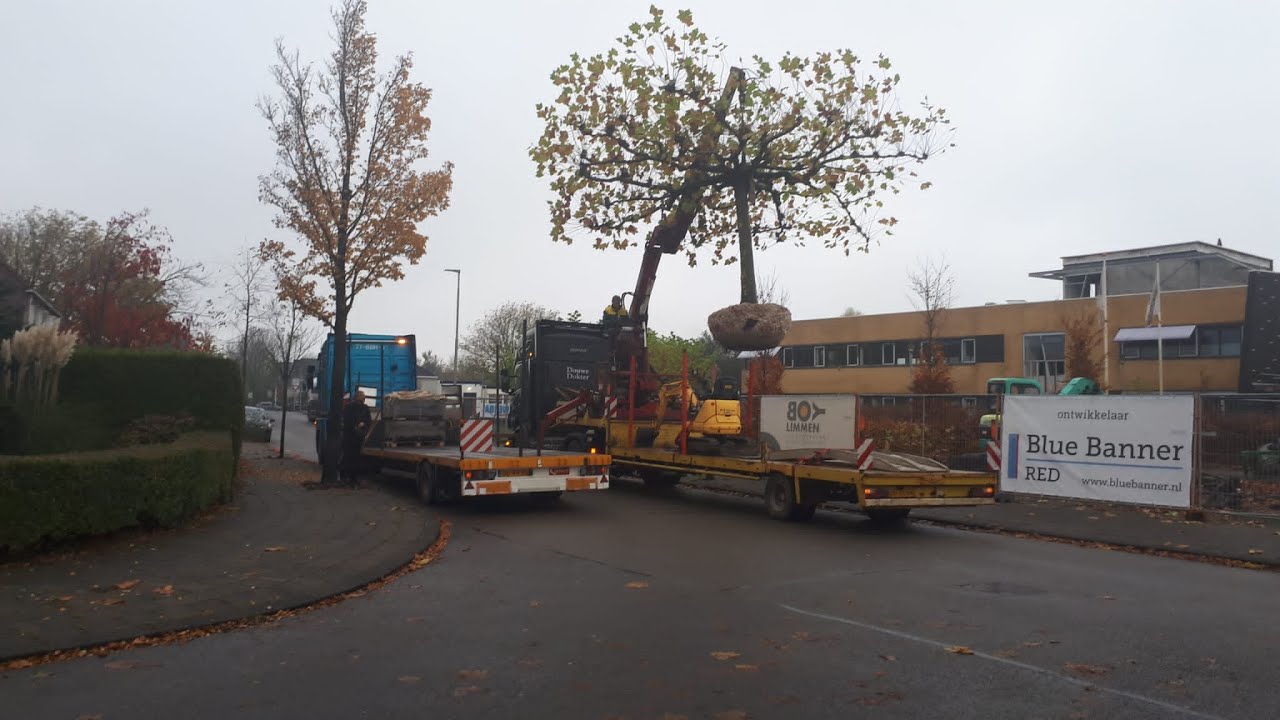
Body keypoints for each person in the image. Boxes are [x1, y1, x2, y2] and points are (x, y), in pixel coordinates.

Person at [340, 390, 372, 487]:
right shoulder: (349, 407)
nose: (364, 398)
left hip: (358, 437)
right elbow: (346, 420)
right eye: (362, 396)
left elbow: (368, 420)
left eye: (364, 396)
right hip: (349, 436)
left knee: (355, 458)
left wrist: (363, 424)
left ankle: (353, 477)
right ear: (357, 397)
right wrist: (355, 425)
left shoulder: (365, 408)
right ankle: (345, 476)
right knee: (348, 457)